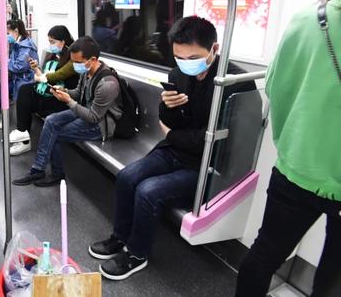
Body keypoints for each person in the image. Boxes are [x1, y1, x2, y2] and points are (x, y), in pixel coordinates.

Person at [88, 16, 256, 281]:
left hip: (207, 164)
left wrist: (173, 135)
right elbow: (169, 120)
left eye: (193, 57)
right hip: (175, 150)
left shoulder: (236, 83)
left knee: (148, 191)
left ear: (214, 48)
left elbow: (218, 141)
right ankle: (119, 237)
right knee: (127, 177)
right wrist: (167, 107)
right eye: (179, 57)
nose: (186, 63)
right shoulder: (178, 74)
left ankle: (137, 253)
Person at [235, 0, 341, 297]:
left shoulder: (307, 20)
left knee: (265, 253)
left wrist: (290, 141)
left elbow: (276, 88)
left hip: (296, 167)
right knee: (335, 274)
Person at [12, 36, 121, 187]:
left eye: (78, 62)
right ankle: (38, 170)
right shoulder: (87, 71)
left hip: (101, 125)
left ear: (93, 59)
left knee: (54, 133)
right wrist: (64, 91)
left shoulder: (107, 84)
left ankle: (56, 174)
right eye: (73, 62)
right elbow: (79, 93)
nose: (75, 66)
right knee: (51, 120)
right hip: (85, 111)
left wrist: (68, 101)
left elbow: (94, 117)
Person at [8, 25, 78, 155]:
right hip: (47, 92)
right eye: (49, 42)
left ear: (63, 41)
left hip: (59, 97)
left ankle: (23, 136)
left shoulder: (72, 60)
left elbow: (55, 77)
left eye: (53, 42)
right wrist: (36, 69)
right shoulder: (54, 56)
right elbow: (44, 77)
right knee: (25, 90)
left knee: (28, 98)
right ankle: (23, 135)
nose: (50, 45)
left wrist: (40, 78)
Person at [0, 20, 38, 129]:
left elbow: (19, 66)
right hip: (18, 77)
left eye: (8, 33)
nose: (7, 36)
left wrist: (5, 62)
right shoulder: (18, 43)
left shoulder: (26, 47)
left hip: (25, 80)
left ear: (16, 31)